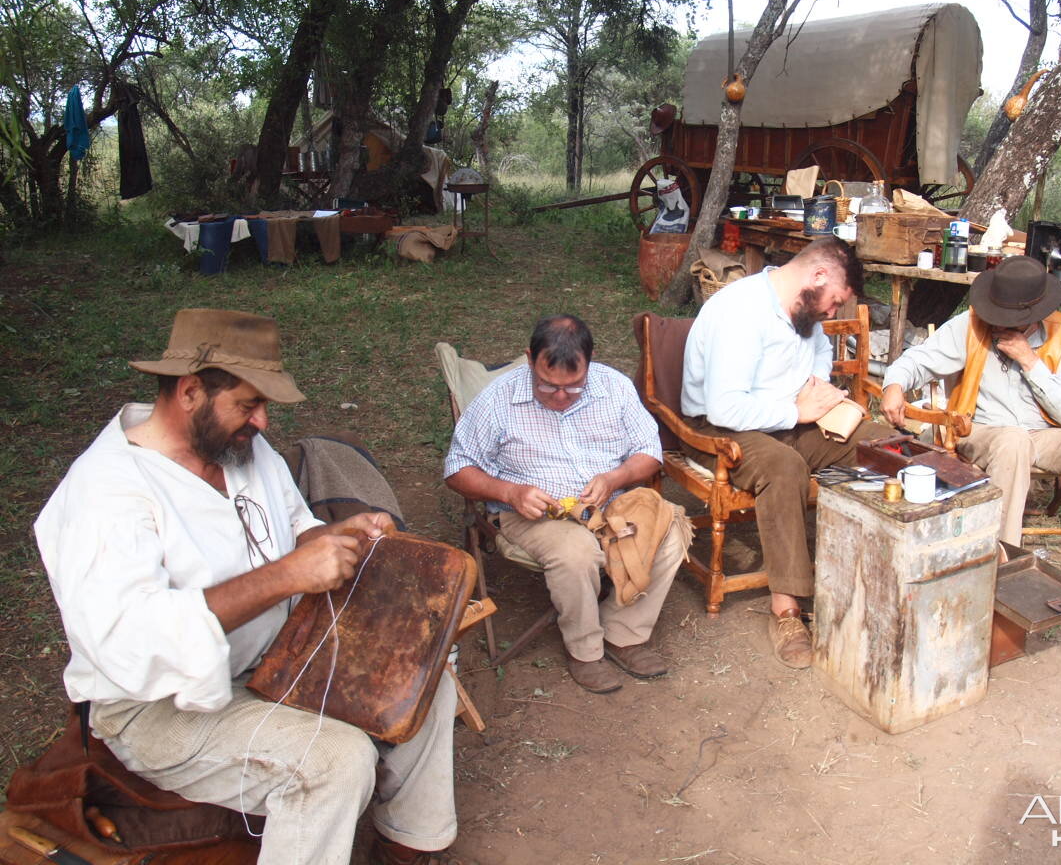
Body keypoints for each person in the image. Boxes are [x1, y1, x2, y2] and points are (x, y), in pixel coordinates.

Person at [34, 309, 463, 865]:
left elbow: (293, 528)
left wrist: (336, 535)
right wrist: (287, 576)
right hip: (161, 708)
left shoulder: (237, 448)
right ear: (189, 391)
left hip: (278, 658)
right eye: (248, 404)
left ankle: (408, 845)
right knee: (334, 760)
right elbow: (131, 642)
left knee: (428, 678)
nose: (262, 423)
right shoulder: (106, 494)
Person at [444, 315, 686, 695]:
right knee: (576, 553)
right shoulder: (498, 399)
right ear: (529, 358)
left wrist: (614, 479)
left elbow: (649, 452)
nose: (559, 397)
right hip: (534, 512)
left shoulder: (614, 388)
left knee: (669, 528)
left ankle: (624, 633)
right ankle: (586, 651)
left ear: (590, 363)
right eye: (547, 385)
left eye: (573, 388)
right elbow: (457, 470)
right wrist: (510, 492)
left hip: (609, 504)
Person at [680, 237, 892, 669]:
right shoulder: (740, 311)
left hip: (788, 419)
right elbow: (726, 406)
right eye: (835, 302)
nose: (832, 313)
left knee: (882, 444)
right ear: (817, 277)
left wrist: (814, 396)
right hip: (722, 427)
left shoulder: (803, 310)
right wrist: (796, 411)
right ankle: (787, 608)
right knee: (783, 467)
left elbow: (817, 362)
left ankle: (887, 572)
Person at [880, 254, 1061, 615]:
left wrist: (1030, 360)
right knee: (1012, 440)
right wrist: (894, 384)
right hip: (981, 430)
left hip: (1044, 433)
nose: (1004, 325)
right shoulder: (971, 325)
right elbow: (916, 361)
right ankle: (1002, 558)